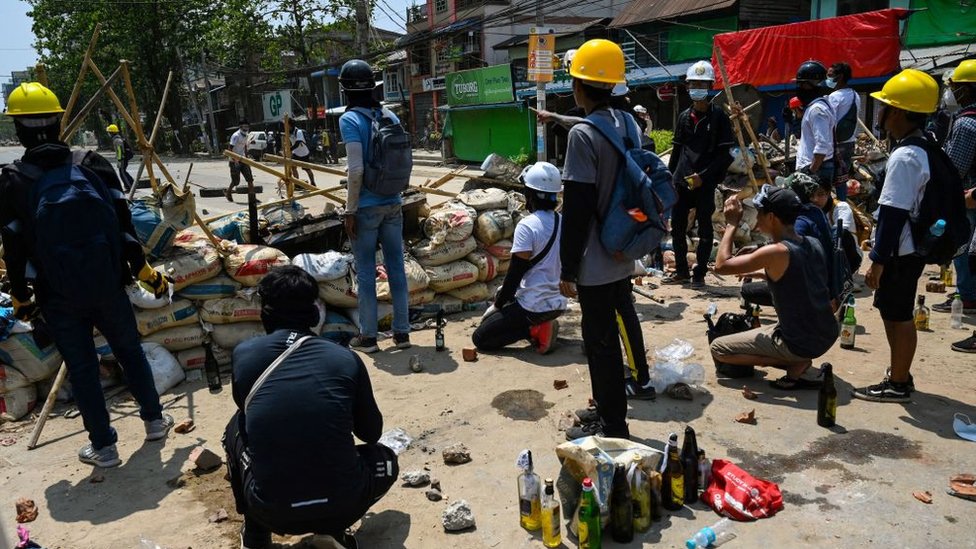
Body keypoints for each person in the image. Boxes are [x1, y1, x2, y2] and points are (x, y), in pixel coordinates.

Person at [0, 82, 173, 468]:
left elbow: (12, 245)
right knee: (130, 352)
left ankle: (105, 448)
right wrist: (141, 268)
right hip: (109, 282)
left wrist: (21, 297)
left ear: (19, 128)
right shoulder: (92, 163)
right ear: (60, 121)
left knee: (82, 368)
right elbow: (124, 223)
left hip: (57, 293)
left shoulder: (12, 179)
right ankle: (155, 422)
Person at [223, 266, 398, 549]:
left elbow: (247, 411)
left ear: (264, 313)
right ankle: (334, 530)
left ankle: (256, 535)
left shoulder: (244, 355)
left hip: (272, 511)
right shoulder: (345, 358)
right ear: (315, 313)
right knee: (386, 460)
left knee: (236, 426)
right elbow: (371, 433)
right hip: (343, 503)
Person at [559, 38, 649, 440]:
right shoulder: (627, 122)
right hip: (623, 246)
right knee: (613, 329)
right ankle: (611, 410)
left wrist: (566, 267)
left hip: (594, 259)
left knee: (600, 343)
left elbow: (576, 209)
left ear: (579, 86)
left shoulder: (583, 134)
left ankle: (612, 424)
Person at [852, 69, 940, 402]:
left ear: (899, 112)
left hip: (901, 251)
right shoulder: (923, 146)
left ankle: (898, 383)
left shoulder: (904, 157)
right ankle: (899, 372)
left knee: (898, 314)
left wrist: (877, 260)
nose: (881, 114)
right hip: (911, 248)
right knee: (896, 311)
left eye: (885, 107)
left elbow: (892, 213)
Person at [711, 185, 838, 388]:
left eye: (759, 214)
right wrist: (757, 271)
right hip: (826, 332)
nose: (757, 219)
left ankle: (795, 362)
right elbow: (796, 278)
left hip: (800, 342)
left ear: (771, 217)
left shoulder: (776, 252)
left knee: (719, 349)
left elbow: (721, 265)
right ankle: (796, 357)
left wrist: (732, 224)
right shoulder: (812, 242)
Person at [339, 59, 411, 353]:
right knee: (397, 267)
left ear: (345, 89)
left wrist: (350, 210)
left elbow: (355, 170)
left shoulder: (350, 120)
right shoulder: (390, 116)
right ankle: (402, 333)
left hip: (367, 207)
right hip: (394, 202)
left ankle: (368, 337)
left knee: (367, 271)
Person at [472, 162, 566, 354]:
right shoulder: (561, 221)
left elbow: (515, 272)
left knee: (481, 337)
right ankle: (542, 325)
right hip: (558, 304)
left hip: (533, 306)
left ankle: (535, 329)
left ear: (530, 194)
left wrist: (498, 305)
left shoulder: (527, 225)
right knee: (501, 316)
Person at [664, 60, 735, 289]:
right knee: (677, 228)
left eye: (702, 84)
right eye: (693, 83)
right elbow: (677, 151)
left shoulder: (720, 118)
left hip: (705, 182)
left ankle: (700, 273)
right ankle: (682, 272)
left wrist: (703, 177)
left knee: (705, 228)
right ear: (687, 86)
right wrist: (670, 178)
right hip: (681, 181)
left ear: (710, 87)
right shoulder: (684, 116)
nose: (697, 88)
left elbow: (724, 156)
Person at [740, 172, 835, 308]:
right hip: (825, 283)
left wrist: (760, 272)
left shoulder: (800, 222)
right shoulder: (815, 212)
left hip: (812, 291)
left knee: (748, 290)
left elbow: (790, 259)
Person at [934, 60, 976, 328]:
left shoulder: (966, 124)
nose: (951, 92)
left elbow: (956, 168)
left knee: (963, 246)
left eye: (956, 87)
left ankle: (969, 296)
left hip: (968, 197)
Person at [795, 61, 836, 194]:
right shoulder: (819, 106)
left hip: (817, 168)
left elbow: (822, 145)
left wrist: (810, 171)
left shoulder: (817, 110)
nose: (799, 88)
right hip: (817, 166)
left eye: (802, 84)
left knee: (813, 209)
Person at [827, 62, 861, 199]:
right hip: (849, 143)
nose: (827, 79)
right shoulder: (855, 95)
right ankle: (842, 204)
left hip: (836, 144)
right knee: (842, 180)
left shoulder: (835, 97)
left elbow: (829, 122)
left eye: (830, 76)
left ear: (839, 77)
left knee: (827, 181)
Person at [226, 119, 254, 202]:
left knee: (250, 179)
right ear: (240, 127)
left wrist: (246, 156)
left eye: (247, 126)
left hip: (243, 159)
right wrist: (235, 160)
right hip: (234, 161)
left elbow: (245, 146)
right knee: (235, 181)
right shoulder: (236, 136)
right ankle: (228, 192)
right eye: (244, 126)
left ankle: (252, 197)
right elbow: (229, 148)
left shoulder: (246, 135)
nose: (246, 128)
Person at [106, 123, 134, 192]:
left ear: (112, 133)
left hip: (122, 159)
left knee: (122, 173)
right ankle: (132, 183)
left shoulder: (117, 140)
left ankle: (129, 187)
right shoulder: (118, 139)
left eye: (109, 132)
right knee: (123, 172)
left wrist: (119, 159)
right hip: (123, 158)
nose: (108, 134)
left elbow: (119, 150)